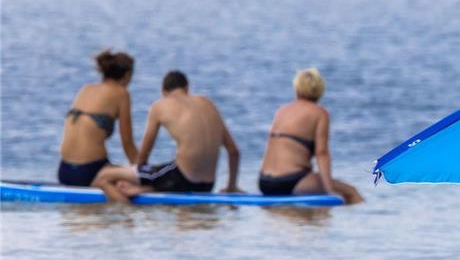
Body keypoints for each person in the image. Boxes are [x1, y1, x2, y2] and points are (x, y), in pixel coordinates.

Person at [99, 70, 241, 198]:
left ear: (163, 92)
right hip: (207, 185)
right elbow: (234, 152)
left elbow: (144, 153)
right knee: (160, 174)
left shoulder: (160, 105)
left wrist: (138, 175)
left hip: (181, 179)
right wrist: (231, 187)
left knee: (105, 175)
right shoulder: (208, 103)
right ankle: (146, 189)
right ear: (187, 88)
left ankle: (129, 213)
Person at [257, 68, 362, 203]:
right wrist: (329, 189)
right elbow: (321, 153)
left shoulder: (282, 111)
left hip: (265, 183)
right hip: (291, 182)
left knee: (315, 214)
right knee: (351, 192)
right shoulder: (319, 113)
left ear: (297, 88)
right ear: (320, 89)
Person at [58, 50, 138, 201]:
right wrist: (143, 173)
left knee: (121, 173)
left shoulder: (86, 89)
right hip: (89, 172)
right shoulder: (122, 93)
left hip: (64, 171)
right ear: (127, 75)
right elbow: (128, 144)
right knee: (133, 181)